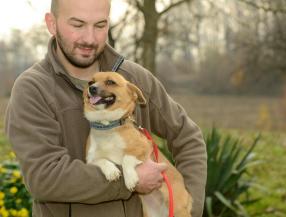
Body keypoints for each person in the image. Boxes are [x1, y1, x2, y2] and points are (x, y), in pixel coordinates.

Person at [4, 0, 207, 216]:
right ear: (52, 24)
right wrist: (129, 180)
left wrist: (187, 207)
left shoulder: (134, 79)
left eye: (99, 25)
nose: (90, 38)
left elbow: (188, 136)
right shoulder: (33, 88)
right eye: (78, 24)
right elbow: (44, 178)